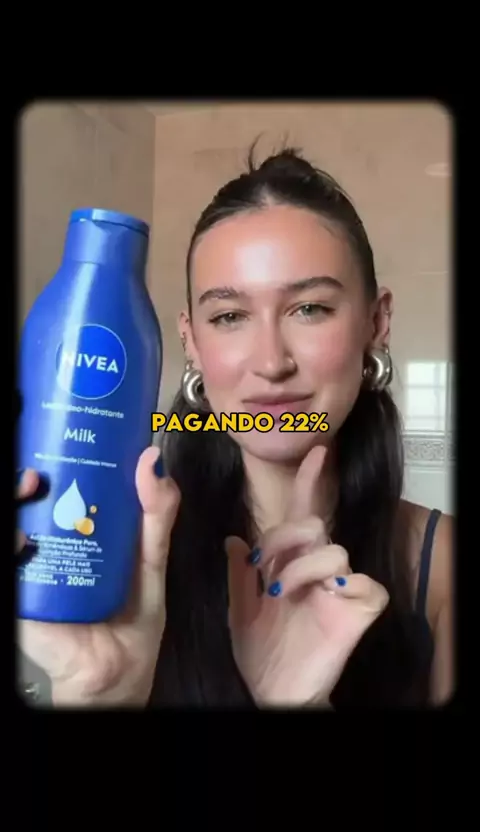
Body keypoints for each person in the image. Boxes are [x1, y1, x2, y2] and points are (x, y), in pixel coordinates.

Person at [16, 144, 454, 708]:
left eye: (310, 308)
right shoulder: (120, 553)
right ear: (191, 342)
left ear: (376, 321)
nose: (271, 363)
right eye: (229, 316)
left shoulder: (443, 569)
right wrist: (104, 692)